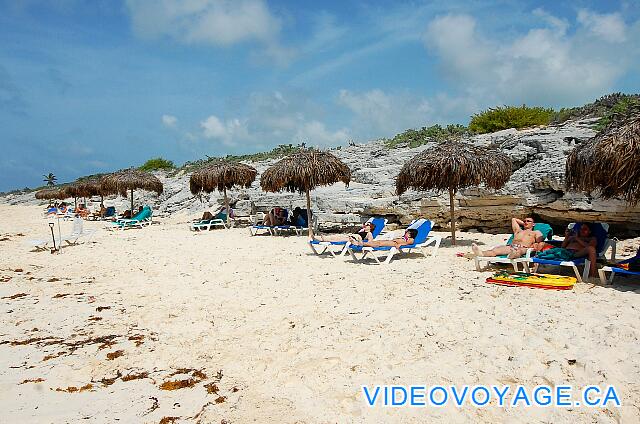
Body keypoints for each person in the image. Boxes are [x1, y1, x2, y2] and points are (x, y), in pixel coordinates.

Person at [472, 217, 544, 259]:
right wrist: (524, 224)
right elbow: (514, 219)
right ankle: (481, 253)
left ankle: (512, 255)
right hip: (511, 246)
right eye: (525, 221)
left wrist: (535, 246)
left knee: (518, 251)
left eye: (528, 221)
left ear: (533, 224)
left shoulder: (536, 232)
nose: (526, 222)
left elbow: (540, 241)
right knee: (495, 250)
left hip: (524, 247)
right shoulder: (518, 231)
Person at [312, 221, 376, 243]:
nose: (365, 225)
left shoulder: (369, 233)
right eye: (364, 224)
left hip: (354, 239)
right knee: (336, 236)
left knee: (338, 239)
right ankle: (318, 238)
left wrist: (363, 247)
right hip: (351, 236)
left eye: (367, 225)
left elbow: (370, 241)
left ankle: (324, 239)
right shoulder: (361, 230)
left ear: (370, 227)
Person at [349, 228, 417, 249]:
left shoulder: (411, 239)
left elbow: (408, 243)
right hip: (392, 241)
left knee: (379, 243)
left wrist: (401, 244)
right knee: (378, 241)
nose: (406, 233)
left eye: (407, 233)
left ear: (411, 234)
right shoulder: (405, 236)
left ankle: (361, 243)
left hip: (394, 243)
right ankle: (359, 243)